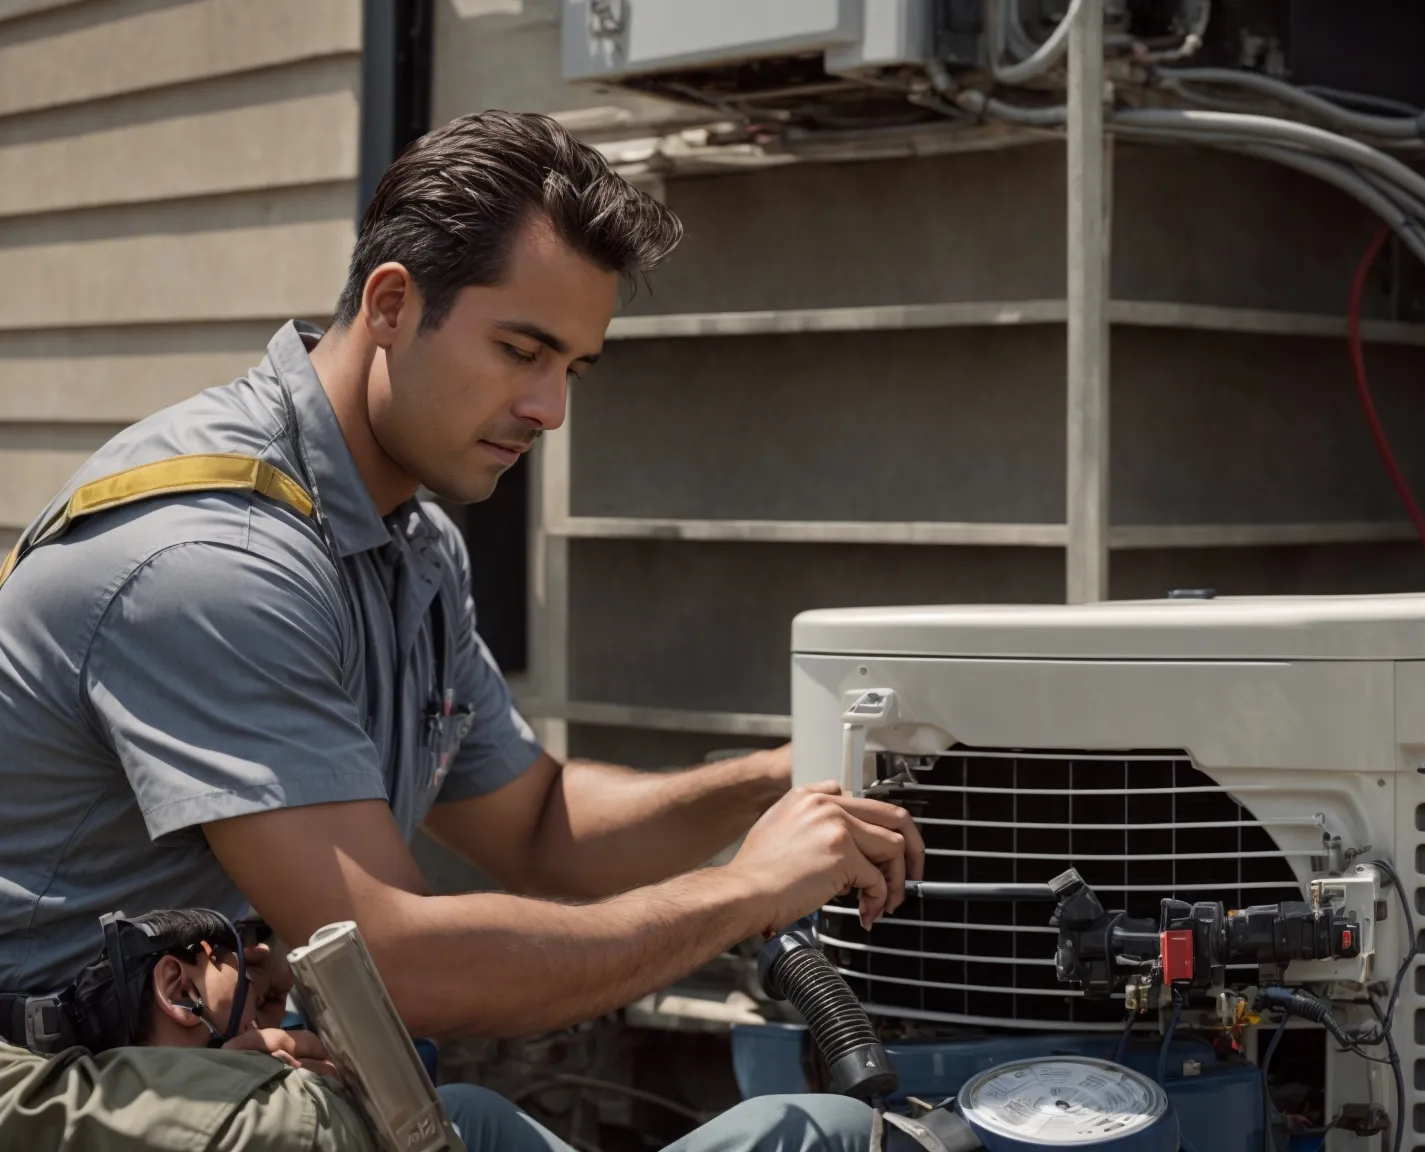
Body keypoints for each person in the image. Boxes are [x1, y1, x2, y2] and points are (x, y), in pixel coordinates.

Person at [0, 110, 919, 1151]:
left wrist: (776, 780)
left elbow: (535, 825)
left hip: (190, 1059)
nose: (547, 409)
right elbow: (394, 960)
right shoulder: (212, 559)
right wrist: (746, 890)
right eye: (520, 351)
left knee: (472, 1117)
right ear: (392, 303)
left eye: (571, 368)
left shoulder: (409, 544)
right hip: (50, 1087)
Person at [0, 909, 872, 1152]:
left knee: (467, 1107)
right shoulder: (263, 1115)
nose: (288, 1024)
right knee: (825, 1131)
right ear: (177, 985)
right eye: (240, 965)